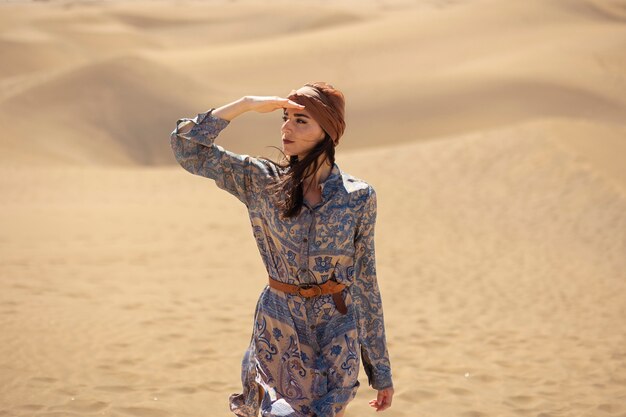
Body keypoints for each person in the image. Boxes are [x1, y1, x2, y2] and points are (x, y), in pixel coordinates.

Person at [169, 82, 394, 417]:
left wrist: (380, 371)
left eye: (301, 120)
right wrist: (243, 105)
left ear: (327, 131)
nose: (287, 126)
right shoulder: (260, 179)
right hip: (279, 328)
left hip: (335, 330)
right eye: (285, 117)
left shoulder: (359, 197)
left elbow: (365, 282)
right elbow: (187, 147)